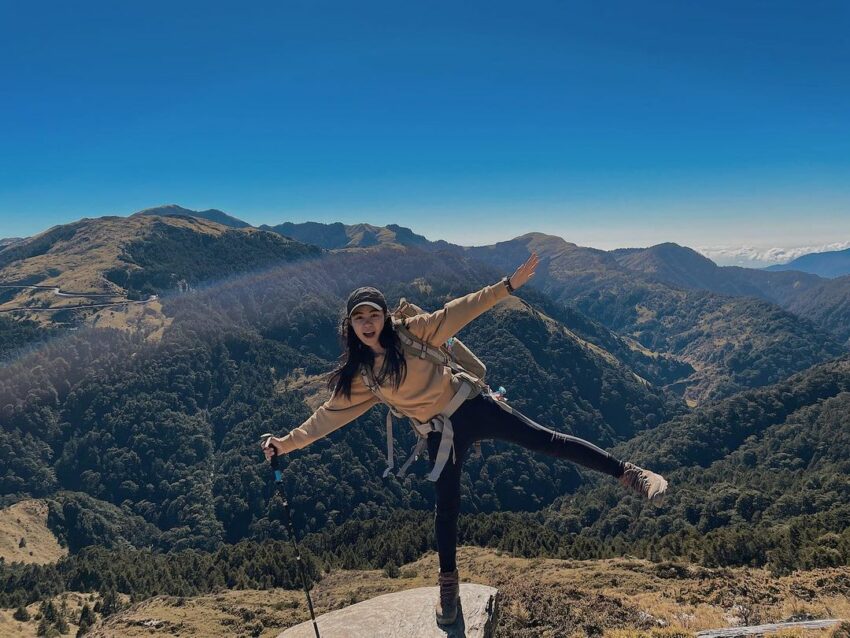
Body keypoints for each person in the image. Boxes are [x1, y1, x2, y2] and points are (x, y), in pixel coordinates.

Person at [261, 252, 668, 626]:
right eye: (358, 318)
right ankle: (448, 585)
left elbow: (459, 311)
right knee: (447, 505)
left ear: (385, 316)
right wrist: (285, 443)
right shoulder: (362, 375)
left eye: (373, 315)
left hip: (472, 405)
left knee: (547, 440)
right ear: (349, 326)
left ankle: (631, 474)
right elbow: (326, 417)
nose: (367, 323)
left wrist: (507, 286)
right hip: (439, 432)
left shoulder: (414, 333)